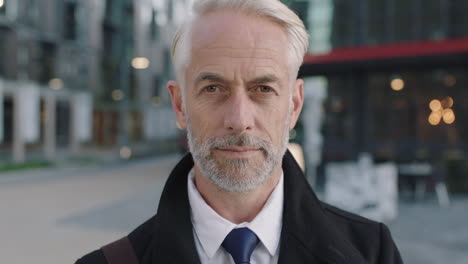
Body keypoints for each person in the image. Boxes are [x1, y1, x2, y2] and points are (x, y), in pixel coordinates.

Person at [76, 0, 403, 263]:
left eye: (262, 88)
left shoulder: (372, 252)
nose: (239, 119)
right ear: (179, 106)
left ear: (293, 105)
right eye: (214, 88)